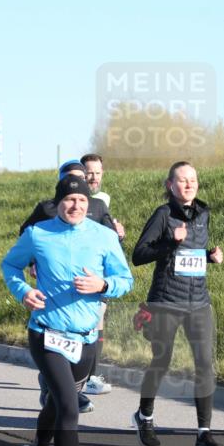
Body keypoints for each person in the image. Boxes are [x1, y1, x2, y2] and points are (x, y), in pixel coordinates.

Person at [2, 175, 133, 446]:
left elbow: (126, 280)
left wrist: (103, 283)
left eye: (82, 202)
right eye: (69, 200)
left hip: (86, 338)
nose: (75, 206)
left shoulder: (103, 236)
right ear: (58, 202)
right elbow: (10, 265)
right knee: (70, 407)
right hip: (46, 334)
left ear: (89, 205)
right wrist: (22, 291)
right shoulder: (38, 233)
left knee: (58, 407)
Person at [131, 161, 224, 446]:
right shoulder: (163, 215)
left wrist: (209, 256)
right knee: (162, 359)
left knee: (205, 364)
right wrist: (170, 242)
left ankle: (204, 435)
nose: (189, 185)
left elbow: (191, 254)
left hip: (198, 301)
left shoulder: (203, 214)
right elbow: (139, 254)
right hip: (166, 301)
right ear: (170, 185)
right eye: (182, 181)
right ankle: (144, 416)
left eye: (193, 180)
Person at [20, 159, 122, 409]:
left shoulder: (97, 205)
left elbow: (112, 241)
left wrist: (104, 280)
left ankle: (78, 384)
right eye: (69, 179)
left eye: (82, 177)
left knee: (92, 329)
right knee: (55, 343)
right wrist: (34, 262)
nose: (76, 186)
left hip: (91, 286)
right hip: (54, 297)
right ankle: (56, 386)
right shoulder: (46, 209)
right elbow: (26, 235)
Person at [81, 152, 126, 396]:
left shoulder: (102, 201)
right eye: (89, 172)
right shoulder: (70, 200)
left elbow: (108, 233)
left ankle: (91, 376)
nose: (94, 177)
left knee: (97, 322)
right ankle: (71, 375)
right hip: (77, 272)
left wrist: (118, 232)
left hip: (99, 273)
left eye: (98, 173)